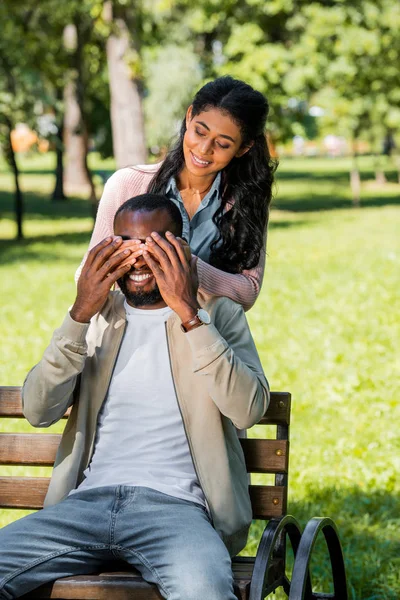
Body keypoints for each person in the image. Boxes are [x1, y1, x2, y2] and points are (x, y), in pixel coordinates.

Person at [0, 194, 269, 600]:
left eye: (155, 243)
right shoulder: (97, 316)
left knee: (205, 593)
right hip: (83, 506)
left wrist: (189, 314)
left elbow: (248, 409)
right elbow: (39, 411)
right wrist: (78, 314)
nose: (139, 258)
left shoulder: (221, 314)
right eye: (126, 242)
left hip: (177, 510)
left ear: (182, 247)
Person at [77, 75, 277, 311]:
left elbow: (248, 291)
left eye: (222, 144)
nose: (204, 150)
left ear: (243, 148)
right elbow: (86, 275)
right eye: (200, 132)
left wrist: (183, 262)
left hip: (205, 336)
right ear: (189, 115)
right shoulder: (126, 185)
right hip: (132, 333)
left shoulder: (245, 201)